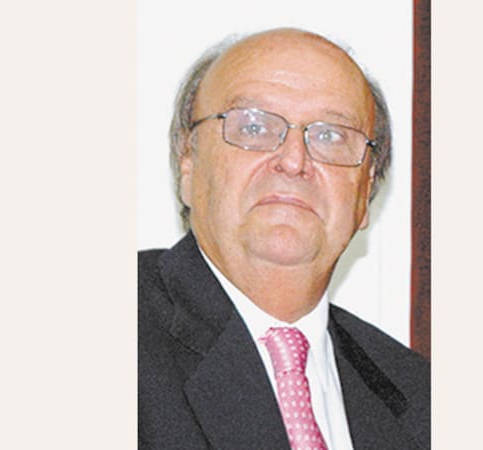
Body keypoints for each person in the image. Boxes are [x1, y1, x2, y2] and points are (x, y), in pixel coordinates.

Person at [138, 28, 429, 449]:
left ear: (365, 192)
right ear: (188, 163)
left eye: (331, 136)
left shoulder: (419, 399)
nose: (294, 161)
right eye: (253, 127)